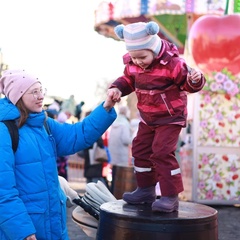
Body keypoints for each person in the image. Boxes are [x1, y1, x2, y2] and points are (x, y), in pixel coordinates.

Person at [0, 69, 116, 240]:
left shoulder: (44, 124)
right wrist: (22, 231)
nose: (40, 96)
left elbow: (78, 135)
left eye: (41, 90)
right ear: (18, 96)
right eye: (34, 92)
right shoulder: (5, 130)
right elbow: (3, 190)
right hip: (26, 228)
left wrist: (105, 108)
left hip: (54, 222)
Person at [107, 21, 206, 213]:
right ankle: (145, 189)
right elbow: (128, 79)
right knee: (140, 150)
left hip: (170, 117)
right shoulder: (133, 64)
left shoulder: (172, 64)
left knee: (161, 152)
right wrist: (117, 87)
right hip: (147, 117)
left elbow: (188, 83)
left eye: (142, 56)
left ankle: (170, 195)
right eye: (134, 57)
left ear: (153, 48)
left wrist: (195, 80)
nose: (138, 61)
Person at [108, 105, 132, 193]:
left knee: (114, 174)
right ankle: (117, 193)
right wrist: (133, 138)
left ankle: (112, 191)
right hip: (121, 153)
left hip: (113, 152)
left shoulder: (115, 122)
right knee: (120, 175)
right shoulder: (125, 124)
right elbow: (125, 140)